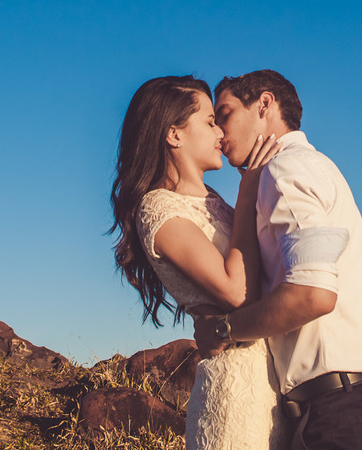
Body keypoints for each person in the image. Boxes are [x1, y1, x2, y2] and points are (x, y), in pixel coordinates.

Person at [194, 70, 362, 450]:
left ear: (264, 105)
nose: (219, 132)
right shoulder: (307, 166)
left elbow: (313, 293)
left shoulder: (284, 170)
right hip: (356, 406)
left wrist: (223, 331)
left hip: (345, 412)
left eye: (225, 114)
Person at [110, 75, 286, 450]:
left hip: (268, 389)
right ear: (174, 135)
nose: (221, 132)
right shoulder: (157, 208)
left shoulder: (214, 202)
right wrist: (250, 186)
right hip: (231, 395)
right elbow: (236, 290)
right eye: (209, 121)